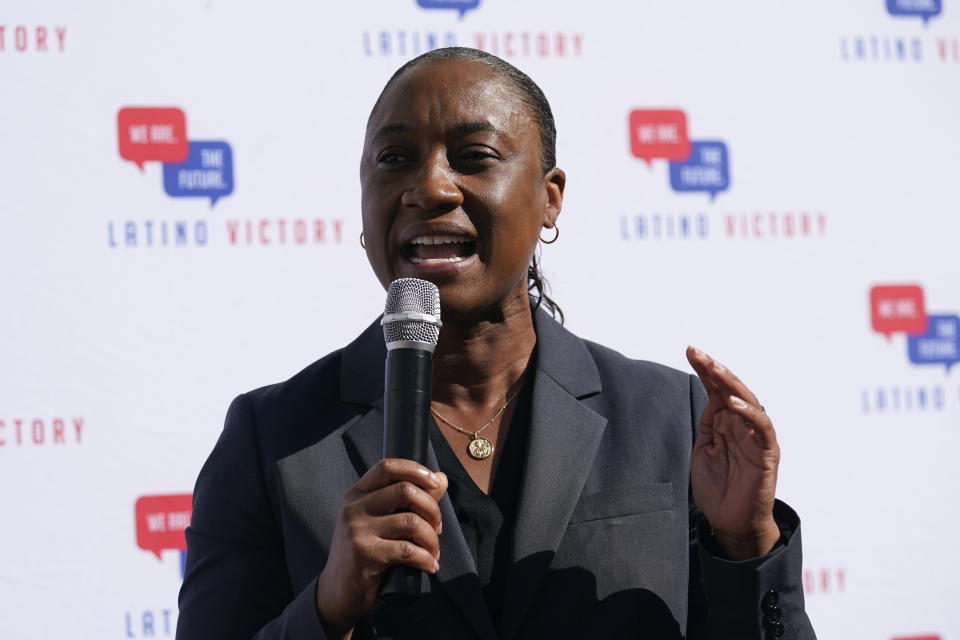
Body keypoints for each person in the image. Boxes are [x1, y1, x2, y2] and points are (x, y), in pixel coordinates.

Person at [177, 47, 816, 640]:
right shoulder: (272, 438)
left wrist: (745, 544)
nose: (430, 188)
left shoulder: (668, 417)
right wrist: (328, 606)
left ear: (549, 198)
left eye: (474, 157)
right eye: (395, 158)